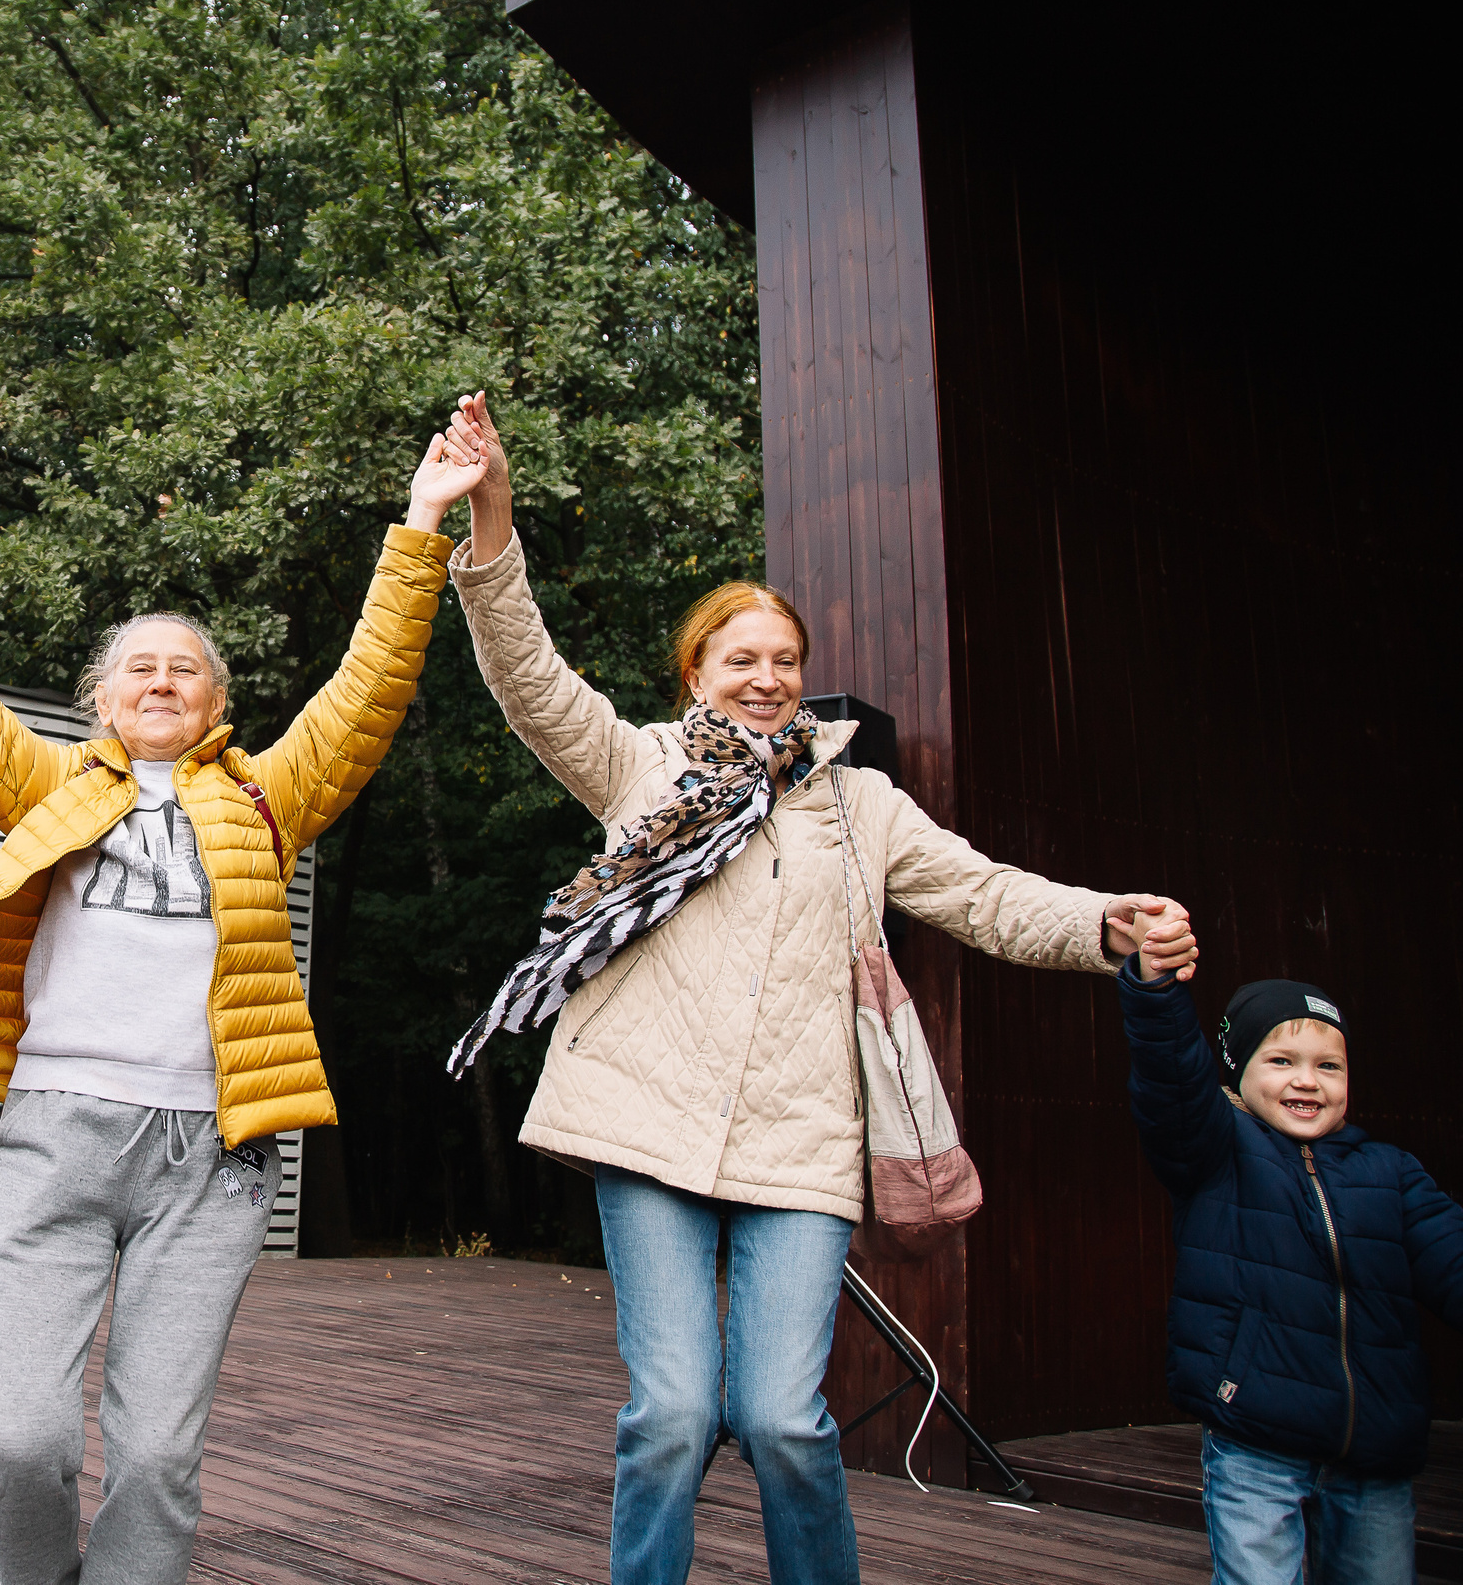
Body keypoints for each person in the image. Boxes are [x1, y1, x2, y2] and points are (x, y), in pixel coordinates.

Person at [434, 392, 1201, 1585]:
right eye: (740, 659)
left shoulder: (860, 804)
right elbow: (526, 674)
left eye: (783, 662)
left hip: (802, 1142)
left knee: (786, 1421)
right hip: (647, 1124)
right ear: (696, 672)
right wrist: (491, 516)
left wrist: (1102, 922)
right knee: (671, 1414)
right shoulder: (638, 768)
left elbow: (982, 895)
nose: (766, 679)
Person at [0, 427, 481, 1583]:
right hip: (56, 1136)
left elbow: (371, 687)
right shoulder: (46, 787)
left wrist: (422, 522)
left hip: (212, 1156)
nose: (161, 680)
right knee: (12, 1438)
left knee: (159, 1457)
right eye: (138, 668)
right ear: (102, 699)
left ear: (216, 699)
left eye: (184, 668)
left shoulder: (270, 796)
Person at [1121, 961, 1463, 1584]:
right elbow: (1171, 1077)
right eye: (1281, 1061)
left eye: (1329, 1066)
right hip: (1256, 1441)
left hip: (1375, 1451)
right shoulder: (1218, 1150)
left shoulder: (1392, 1171)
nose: (1307, 1080)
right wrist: (1156, 987)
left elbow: (1452, 1257)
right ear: (1237, 1072)